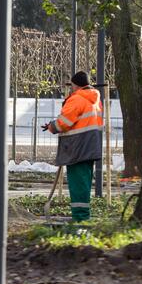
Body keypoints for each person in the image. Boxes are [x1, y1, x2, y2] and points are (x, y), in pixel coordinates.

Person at [43, 71, 103, 222]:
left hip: (77, 148)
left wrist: (51, 126)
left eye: (72, 85)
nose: (71, 89)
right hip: (90, 147)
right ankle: (83, 216)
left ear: (76, 85)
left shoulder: (77, 99)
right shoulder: (95, 100)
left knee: (77, 185)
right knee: (84, 184)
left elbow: (64, 123)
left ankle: (80, 218)